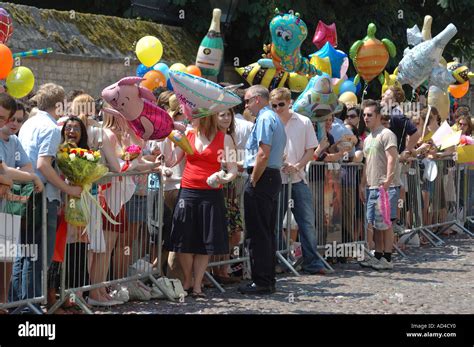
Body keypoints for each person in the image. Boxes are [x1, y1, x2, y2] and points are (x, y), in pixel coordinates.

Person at [17, 84, 83, 305]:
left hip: (25, 192)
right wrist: (69, 189)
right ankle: (31, 305)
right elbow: (43, 165)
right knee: (38, 256)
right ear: (59, 104)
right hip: (42, 196)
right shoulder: (51, 127)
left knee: (25, 253)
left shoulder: (28, 123)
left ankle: (21, 303)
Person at [165, 112, 238, 298]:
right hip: (188, 191)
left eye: (197, 116)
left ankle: (197, 285)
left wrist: (223, 177)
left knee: (206, 241)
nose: (192, 119)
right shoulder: (188, 135)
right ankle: (188, 279)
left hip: (211, 193)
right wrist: (168, 142)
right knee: (183, 239)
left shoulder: (225, 138)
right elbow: (173, 161)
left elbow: (233, 169)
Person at [270, 87, 326, 275]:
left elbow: (311, 149)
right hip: (276, 178)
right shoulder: (270, 121)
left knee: (306, 221)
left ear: (289, 103)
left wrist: (297, 166)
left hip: (298, 178)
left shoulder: (303, 121)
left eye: (281, 105)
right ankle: (279, 261)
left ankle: (312, 261)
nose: (277, 108)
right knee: (275, 223)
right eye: (274, 105)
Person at [238, 85, 286, 295]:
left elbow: (263, 153)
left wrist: (254, 178)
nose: (246, 105)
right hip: (270, 176)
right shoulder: (273, 118)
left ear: (257, 99)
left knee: (258, 232)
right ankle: (266, 279)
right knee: (266, 231)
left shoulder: (266, 118)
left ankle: (262, 280)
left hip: (263, 177)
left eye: (248, 100)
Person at [359, 100, 401, 270]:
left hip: (386, 187)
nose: (366, 118)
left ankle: (388, 258)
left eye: (369, 115)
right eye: (364, 115)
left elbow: (392, 158)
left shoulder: (387, 134)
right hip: (371, 186)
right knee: (374, 224)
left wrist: (388, 180)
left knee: (386, 223)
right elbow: (367, 163)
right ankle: (378, 255)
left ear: (378, 116)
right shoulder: (368, 139)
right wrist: (362, 184)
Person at [381, 86, 420, 155]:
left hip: (396, 160)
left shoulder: (396, 115)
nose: (383, 95)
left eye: (387, 94)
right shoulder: (387, 113)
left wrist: (406, 151)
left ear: (394, 100)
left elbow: (415, 134)